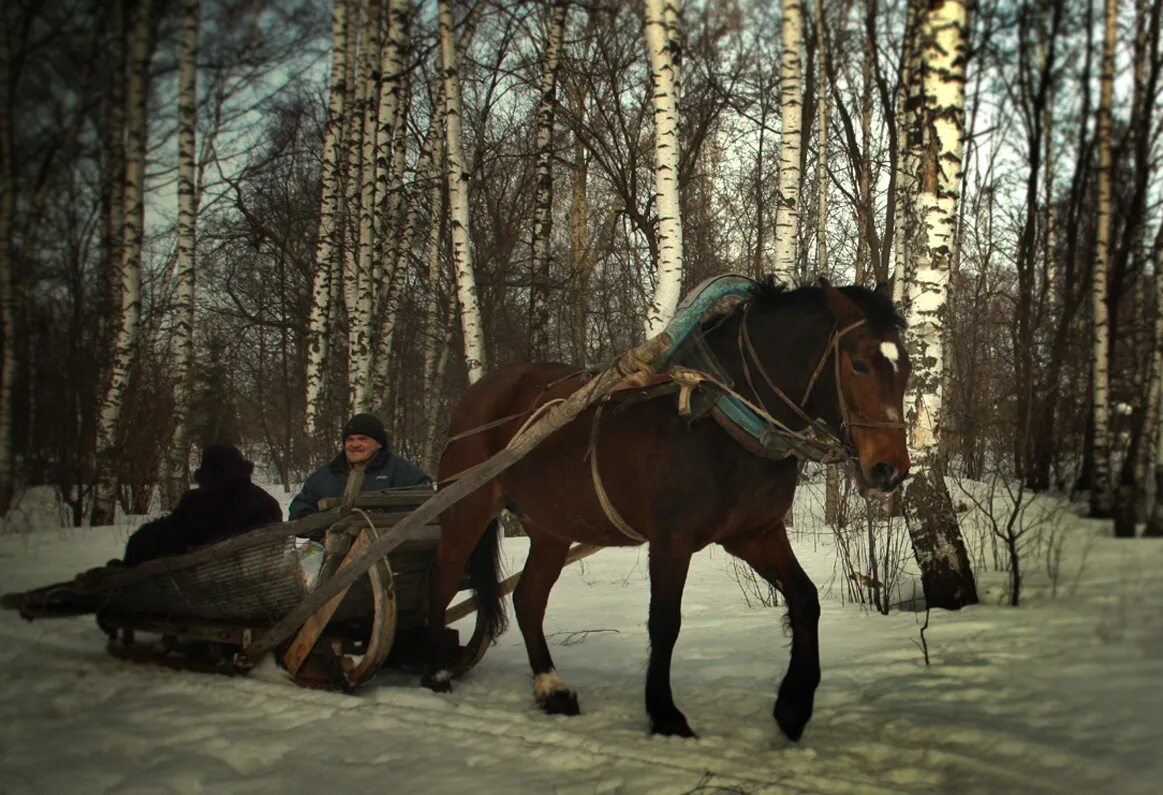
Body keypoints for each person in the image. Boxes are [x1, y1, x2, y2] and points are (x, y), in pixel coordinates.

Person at [120, 444, 283, 566]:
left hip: (203, 585)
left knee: (140, 543)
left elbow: (170, 539)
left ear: (207, 474)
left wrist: (141, 539)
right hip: (257, 578)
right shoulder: (268, 504)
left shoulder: (197, 503)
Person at [288, 413, 432, 520]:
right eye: (350, 439)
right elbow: (299, 512)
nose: (355, 444)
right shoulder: (325, 476)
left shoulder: (404, 473)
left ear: (379, 443)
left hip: (392, 553)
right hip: (335, 554)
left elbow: (426, 509)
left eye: (363, 439)